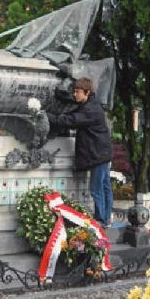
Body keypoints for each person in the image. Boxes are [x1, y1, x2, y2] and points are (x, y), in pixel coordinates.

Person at [47, 77, 114, 227]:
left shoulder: (90, 109)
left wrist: (48, 116)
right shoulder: (91, 104)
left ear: (87, 92)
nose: (75, 95)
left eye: (77, 92)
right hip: (101, 153)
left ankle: (101, 220)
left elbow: (70, 120)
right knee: (104, 187)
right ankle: (107, 218)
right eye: (74, 91)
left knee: (97, 188)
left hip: (98, 155)